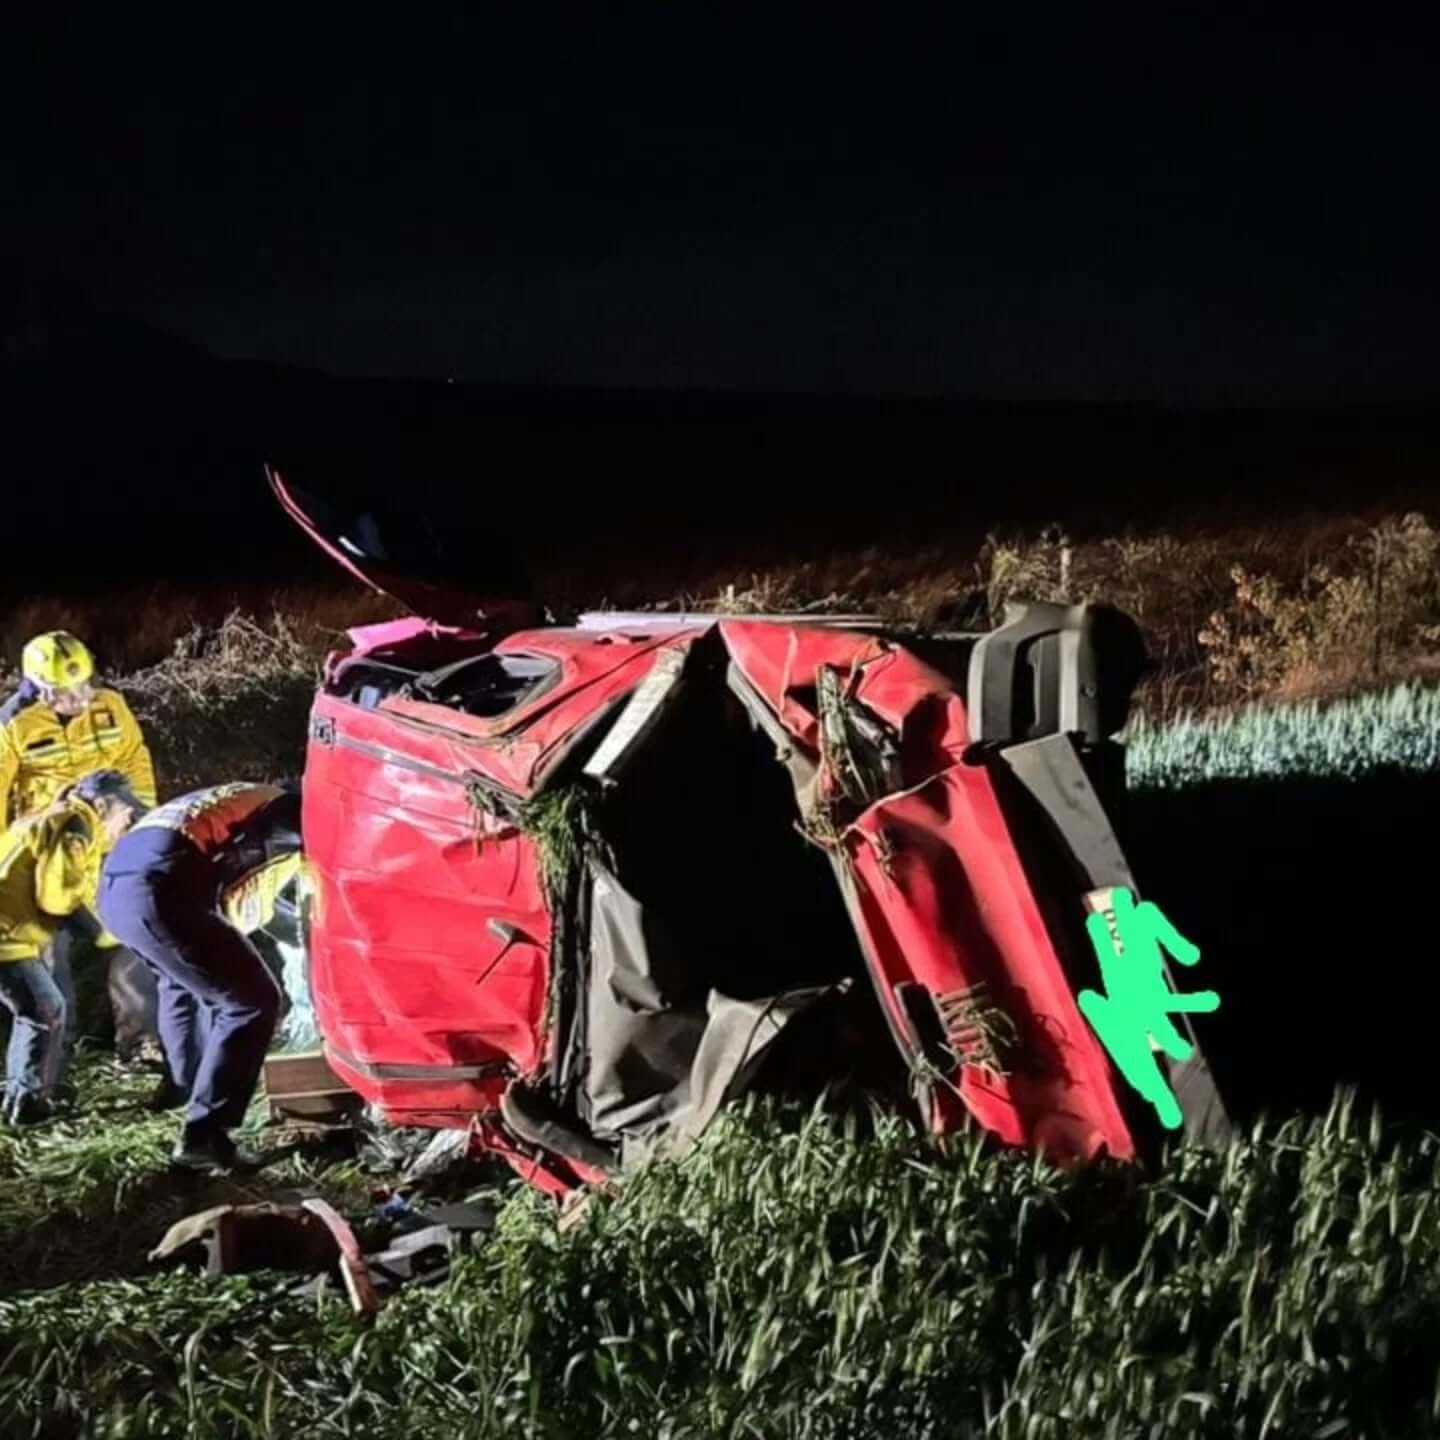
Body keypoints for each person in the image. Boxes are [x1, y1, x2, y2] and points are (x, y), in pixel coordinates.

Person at [95, 780, 304, 1174]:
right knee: (251, 1001)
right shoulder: (288, 810)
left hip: (116, 890)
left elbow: (257, 897)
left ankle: (185, 1088)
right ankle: (204, 1135)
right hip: (163, 884)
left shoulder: (237, 799)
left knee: (181, 986)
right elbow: (304, 846)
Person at [0, 631, 162, 1073]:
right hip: (47, 855)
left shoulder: (111, 706)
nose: (80, 698)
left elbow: (134, 760)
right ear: (38, 687)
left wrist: (141, 822)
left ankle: (141, 1042)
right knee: (50, 953)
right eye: (66, 692)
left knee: (132, 935)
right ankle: (57, 1058)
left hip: (111, 845)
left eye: (84, 685)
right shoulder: (12, 725)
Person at [0, 770, 144, 1124]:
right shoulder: (76, 827)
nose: (126, 825)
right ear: (103, 804)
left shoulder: (57, 817)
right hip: (6, 934)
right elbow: (58, 899)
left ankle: (21, 1095)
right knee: (46, 1011)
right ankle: (30, 1104)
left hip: (11, 930)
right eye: (126, 814)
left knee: (35, 1010)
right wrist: (105, 935)